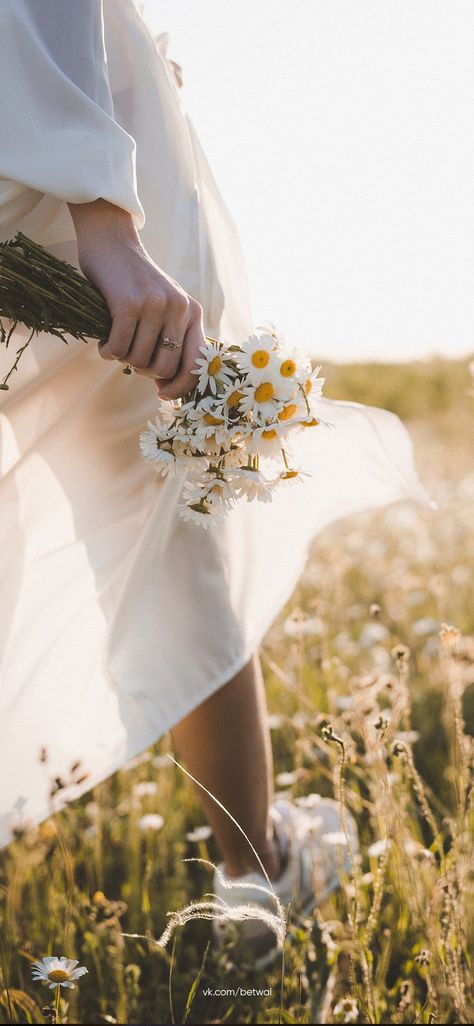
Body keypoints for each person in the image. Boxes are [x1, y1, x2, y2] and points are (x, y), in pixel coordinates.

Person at [0, 0, 427, 963]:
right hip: (55, 199)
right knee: (166, 509)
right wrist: (104, 213)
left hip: (50, 169)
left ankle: (252, 879)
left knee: (157, 495)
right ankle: (255, 879)